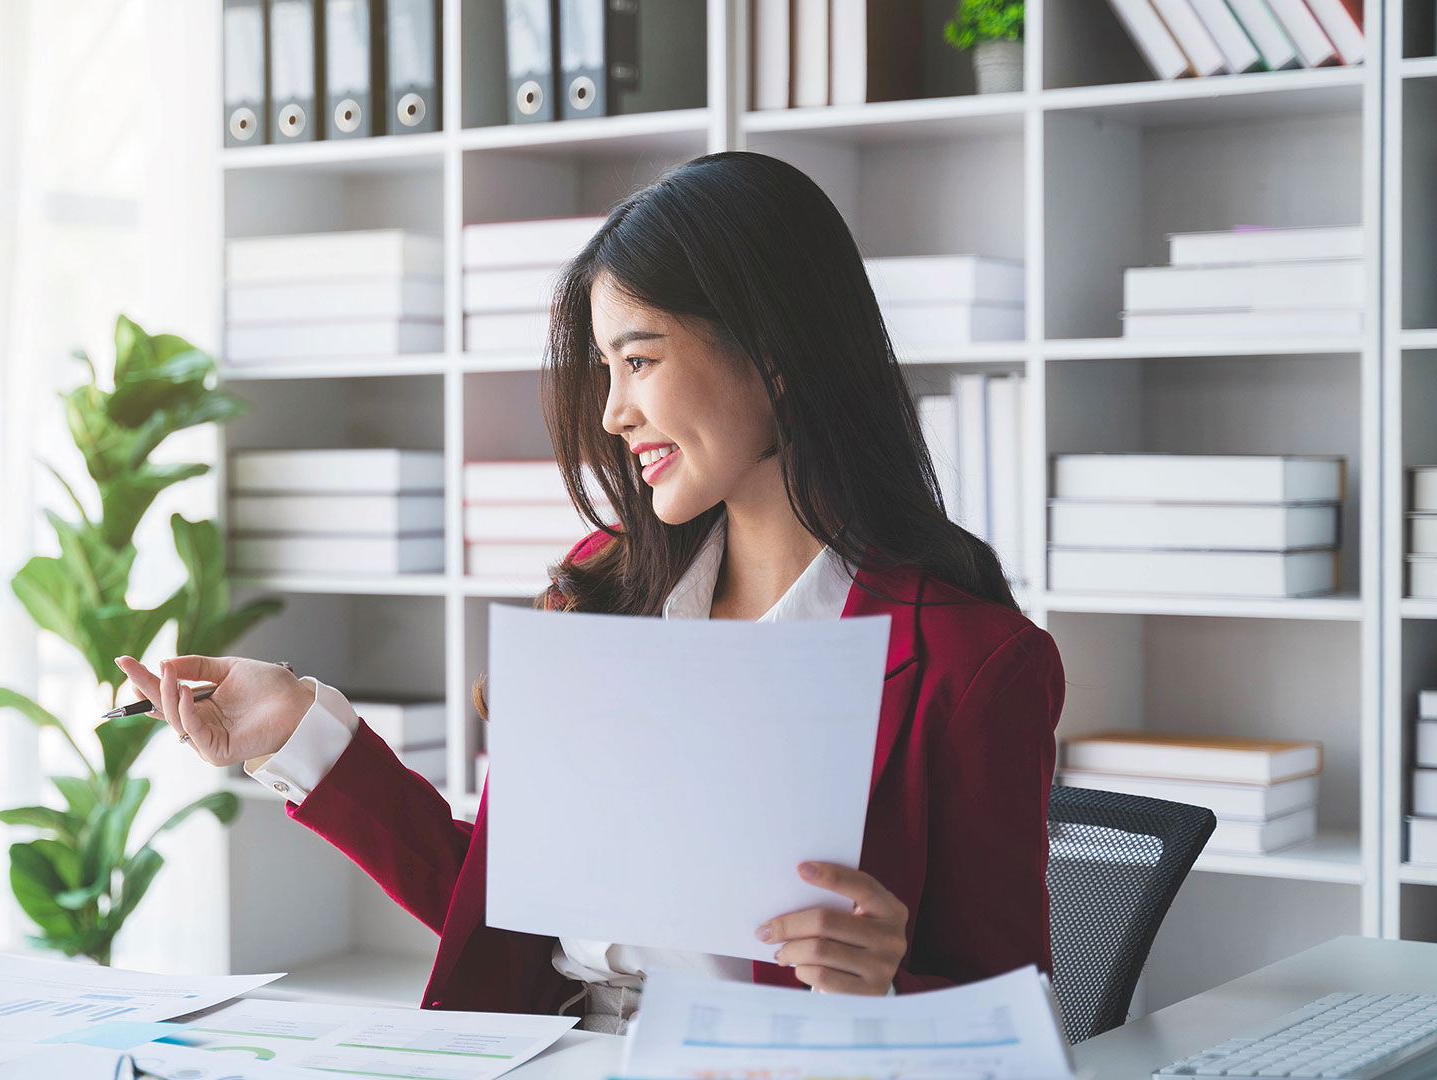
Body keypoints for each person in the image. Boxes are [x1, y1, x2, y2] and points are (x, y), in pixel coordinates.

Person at [116, 150, 1063, 1034]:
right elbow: (504, 910)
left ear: (774, 353)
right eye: (606, 368)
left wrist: (887, 987)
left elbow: (1018, 1026)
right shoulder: (607, 592)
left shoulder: (972, 665)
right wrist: (297, 731)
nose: (612, 412)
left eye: (640, 360)